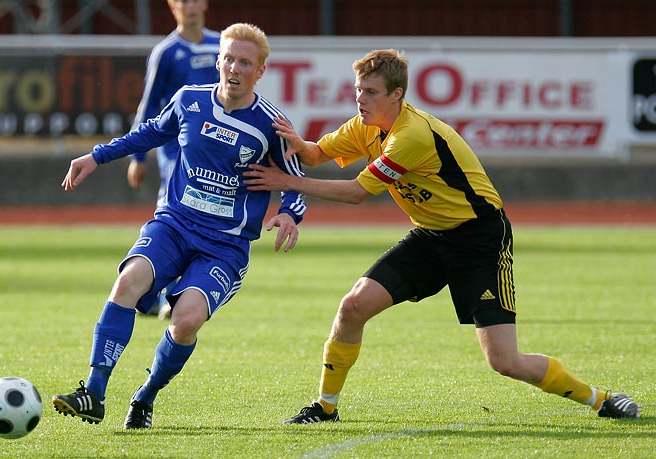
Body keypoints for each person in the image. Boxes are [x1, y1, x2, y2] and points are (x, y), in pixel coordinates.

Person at [244, 49, 641, 423]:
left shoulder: (411, 136)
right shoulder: (364, 126)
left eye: (370, 92)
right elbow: (314, 154)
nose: (360, 99)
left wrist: (285, 181)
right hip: (431, 236)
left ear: (396, 94)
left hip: (479, 239)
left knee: (505, 361)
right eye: (358, 90)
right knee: (352, 307)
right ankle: (325, 407)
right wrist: (291, 142)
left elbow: (356, 193)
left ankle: (601, 400)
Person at [52, 23, 307, 430]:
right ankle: (94, 393)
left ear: (261, 70)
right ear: (218, 60)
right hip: (173, 225)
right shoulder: (190, 100)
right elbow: (150, 133)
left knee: (186, 320)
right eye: (228, 58)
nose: (234, 68)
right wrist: (96, 157)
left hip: (224, 246)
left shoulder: (271, 125)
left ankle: (145, 397)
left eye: (245, 62)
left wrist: (291, 213)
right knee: (128, 281)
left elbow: (295, 181)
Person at [128, 0, 220, 319]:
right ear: (172, 6)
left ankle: (179, 293)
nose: (190, 6)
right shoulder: (166, 52)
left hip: (213, 152)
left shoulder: (222, 44)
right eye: (183, 0)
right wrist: (138, 155)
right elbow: (149, 104)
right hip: (175, 150)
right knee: (171, 214)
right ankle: (152, 290)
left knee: (207, 218)